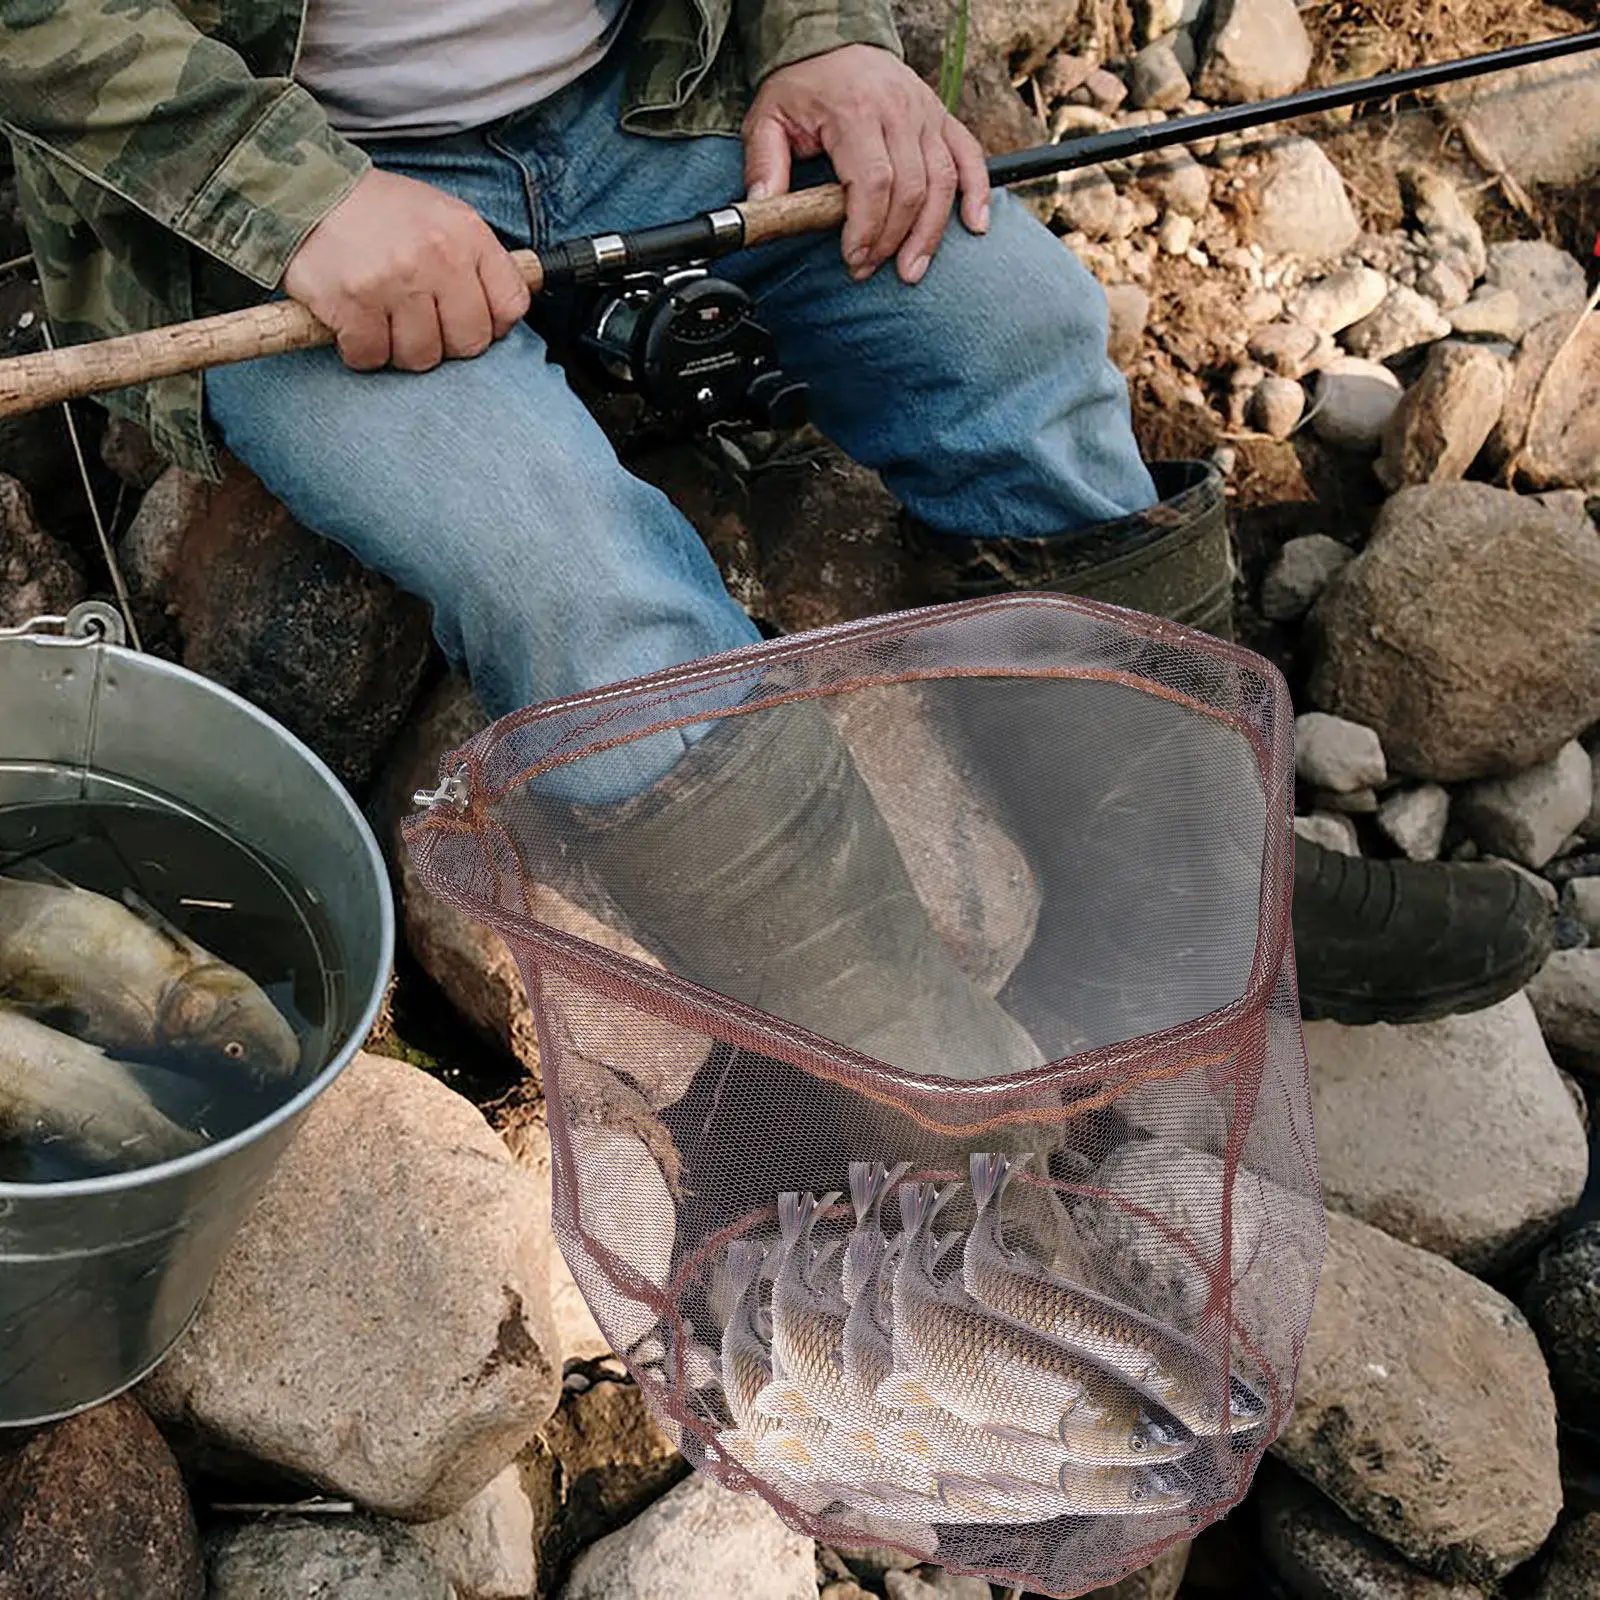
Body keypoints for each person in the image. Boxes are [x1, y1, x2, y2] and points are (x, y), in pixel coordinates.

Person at [1, 0, 1553, 1086]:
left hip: (658, 106)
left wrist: (827, 38)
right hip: (287, 213)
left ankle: (1206, 907)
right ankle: (935, 1091)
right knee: (567, 569)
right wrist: (289, 200)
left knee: (1015, 330)